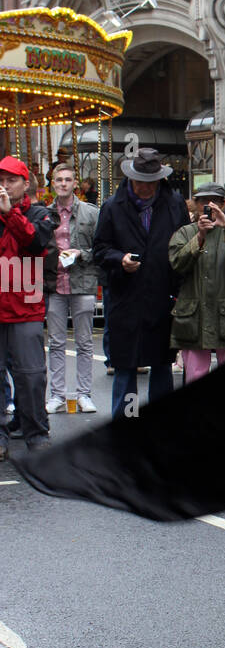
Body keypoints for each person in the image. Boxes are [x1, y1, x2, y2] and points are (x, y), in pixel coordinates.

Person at [92, 149, 186, 420]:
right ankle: (126, 427)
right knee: (126, 366)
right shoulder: (112, 207)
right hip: (126, 298)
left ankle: (160, 428)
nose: (145, 188)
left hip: (162, 297)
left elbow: (183, 247)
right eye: (140, 181)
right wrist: (118, 259)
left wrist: (181, 293)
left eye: (151, 182)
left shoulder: (174, 203)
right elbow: (99, 249)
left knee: (162, 365)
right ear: (131, 178)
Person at [168, 184, 225, 380]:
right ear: (195, 204)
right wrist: (199, 237)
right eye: (202, 201)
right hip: (194, 315)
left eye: (214, 201)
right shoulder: (185, 232)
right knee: (195, 376)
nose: (208, 205)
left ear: (223, 204)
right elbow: (177, 263)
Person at [0, 155, 53, 457]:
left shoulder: (39, 213)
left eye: (11, 180)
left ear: (25, 184)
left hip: (25, 303)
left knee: (31, 374)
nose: (5, 186)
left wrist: (10, 215)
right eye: (2, 180)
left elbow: (35, 244)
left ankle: (36, 432)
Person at [44, 163, 100, 414]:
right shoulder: (44, 214)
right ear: (53, 184)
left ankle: (83, 394)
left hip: (83, 282)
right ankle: (57, 395)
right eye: (59, 180)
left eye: (68, 180)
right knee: (56, 342)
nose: (63, 184)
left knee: (85, 343)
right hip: (55, 284)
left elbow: (102, 248)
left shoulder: (90, 213)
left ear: (75, 183)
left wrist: (81, 253)